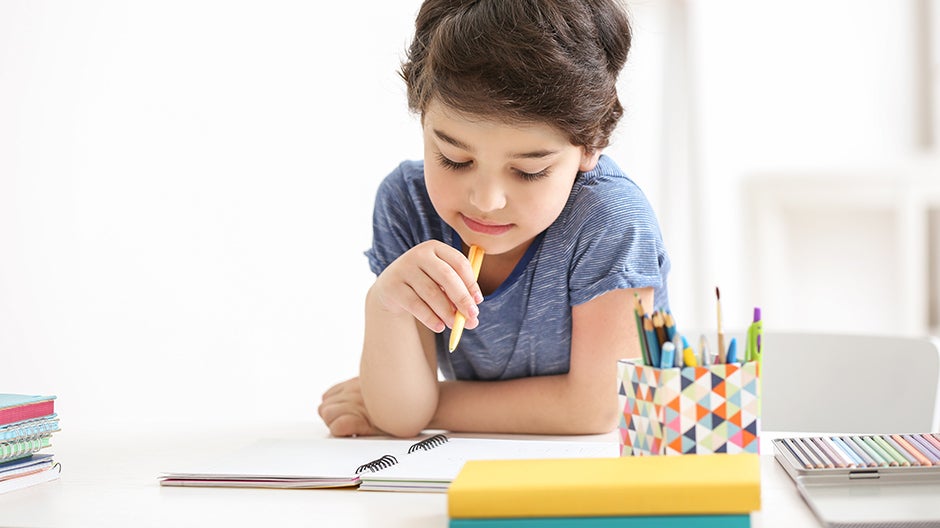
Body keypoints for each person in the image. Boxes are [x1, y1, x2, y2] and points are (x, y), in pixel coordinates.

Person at [318, 0, 670, 438]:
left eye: (529, 170)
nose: (486, 201)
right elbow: (400, 419)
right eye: (453, 158)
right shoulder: (407, 204)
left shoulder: (610, 220)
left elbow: (597, 408)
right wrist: (384, 302)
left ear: (592, 143)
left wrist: (432, 401)